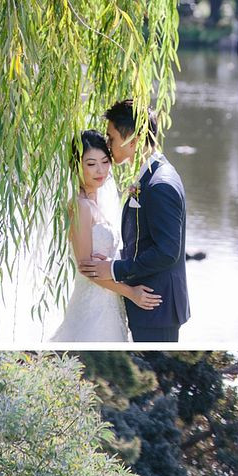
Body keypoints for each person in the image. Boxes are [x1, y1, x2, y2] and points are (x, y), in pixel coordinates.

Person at [80, 100, 189, 342]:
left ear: (134, 139)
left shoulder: (160, 184)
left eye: (111, 138)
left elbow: (167, 251)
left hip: (155, 304)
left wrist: (114, 268)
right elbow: (144, 239)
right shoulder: (150, 177)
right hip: (147, 303)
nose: (108, 146)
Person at [51, 130, 161, 341]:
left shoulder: (99, 203)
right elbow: (87, 268)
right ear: (77, 166)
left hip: (111, 302)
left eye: (104, 162)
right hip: (93, 305)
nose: (100, 170)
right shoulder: (80, 206)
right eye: (91, 164)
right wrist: (131, 292)